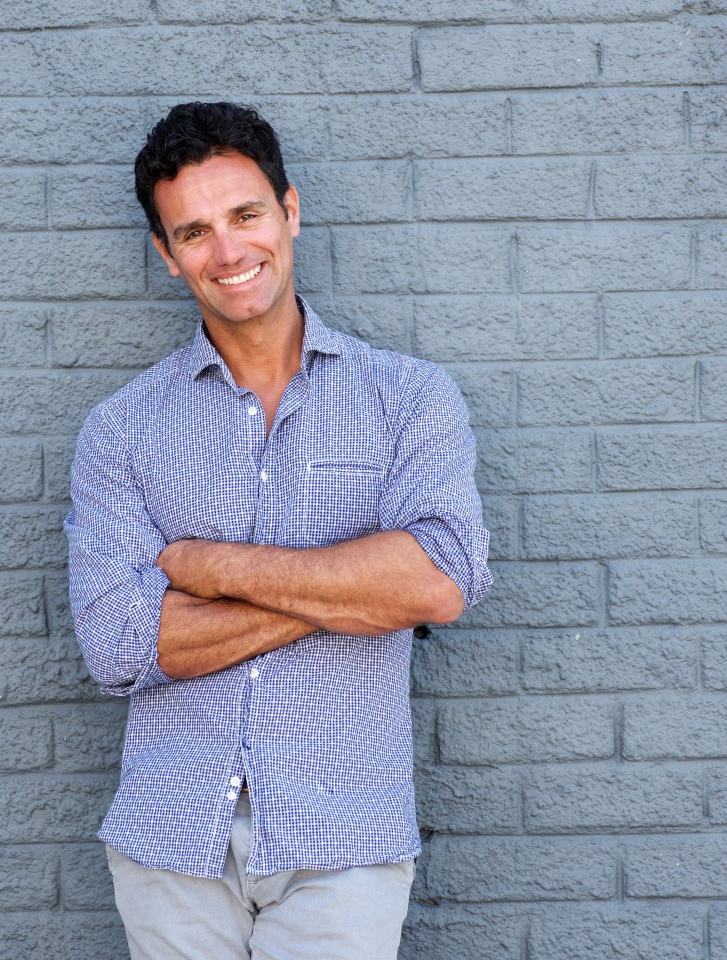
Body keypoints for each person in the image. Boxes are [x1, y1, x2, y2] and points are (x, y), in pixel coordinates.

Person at [64, 101, 492, 960]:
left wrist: (204, 566)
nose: (228, 252)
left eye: (246, 215)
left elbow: (439, 581)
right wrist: (356, 592)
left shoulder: (407, 398)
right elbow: (116, 646)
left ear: (289, 212)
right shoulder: (121, 429)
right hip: (169, 839)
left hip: (345, 835)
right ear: (166, 253)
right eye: (194, 232)